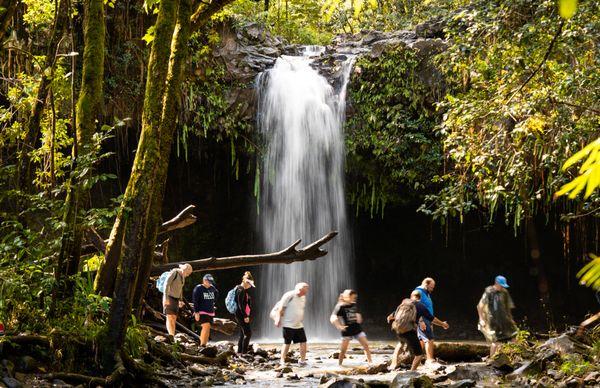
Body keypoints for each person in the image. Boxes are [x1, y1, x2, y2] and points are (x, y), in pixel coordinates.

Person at [387, 291, 433, 371]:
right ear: (420, 298)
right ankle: (412, 372)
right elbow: (431, 318)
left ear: (411, 296)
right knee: (419, 354)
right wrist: (442, 324)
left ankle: (393, 365)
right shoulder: (420, 305)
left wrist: (390, 317)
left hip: (398, 330)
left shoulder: (404, 304)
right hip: (409, 331)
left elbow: (392, 316)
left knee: (400, 344)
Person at [477, 275, 518, 356]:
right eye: (501, 285)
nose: (502, 287)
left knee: (514, 337)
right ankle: (492, 360)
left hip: (505, 320)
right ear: (496, 283)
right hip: (493, 321)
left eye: (503, 286)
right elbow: (480, 306)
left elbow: (508, 307)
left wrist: (511, 319)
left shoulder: (504, 292)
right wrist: (481, 319)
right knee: (496, 342)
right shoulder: (489, 292)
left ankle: (513, 357)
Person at [330, 289, 373, 366]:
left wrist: (359, 316)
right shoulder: (340, 306)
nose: (354, 300)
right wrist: (338, 325)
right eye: (352, 298)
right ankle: (340, 365)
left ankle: (370, 363)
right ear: (347, 297)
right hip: (346, 330)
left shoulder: (354, 305)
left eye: (355, 298)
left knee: (366, 345)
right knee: (343, 350)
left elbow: (357, 313)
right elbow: (332, 317)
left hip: (357, 329)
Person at [414, 277, 449, 363]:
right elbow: (414, 306)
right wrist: (421, 321)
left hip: (428, 319)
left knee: (422, 340)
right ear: (426, 284)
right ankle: (430, 360)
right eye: (431, 287)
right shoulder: (418, 292)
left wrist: (438, 324)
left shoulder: (426, 293)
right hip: (423, 319)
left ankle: (416, 360)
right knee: (429, 339)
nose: (432, 289)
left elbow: (429, 312)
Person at [274, 282, 309, 366]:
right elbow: (281, 307)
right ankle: (282, 360)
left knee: (303, 341)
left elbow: (301, 308)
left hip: (298, 324)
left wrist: (300, 316)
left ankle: (302, 360)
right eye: (305, 290)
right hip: (288, 324)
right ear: (299, 289)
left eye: (306, 290)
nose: (306, 292)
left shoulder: (303, 297)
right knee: (287, 343)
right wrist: (278, 319)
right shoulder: (289, 295)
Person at [162, 263, 193, 337]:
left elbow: (180, 289)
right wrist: (165, 298)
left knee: (174, 318)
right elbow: (166, 285)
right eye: (188, 273)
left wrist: (181, 300)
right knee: (170, 317)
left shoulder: (182, 277)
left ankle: (172, 335)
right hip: (169, 297)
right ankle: (171, 335)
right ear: (184, 270)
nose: (188, 275)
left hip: (176, 299)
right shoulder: (174, 273)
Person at [193, 274, 219, 346]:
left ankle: (204, 344)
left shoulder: (212, 288)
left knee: (208, 328)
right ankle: (202, 345)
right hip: (201, 311)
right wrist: (196, 312)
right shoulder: (198, 288)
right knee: (206, 326)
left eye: (211, 282)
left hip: (210, 312)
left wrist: (213, 303)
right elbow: (195, 301)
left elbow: (216, 295)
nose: (210, 283)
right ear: (204, 280)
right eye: (208, 282)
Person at [234, 271, 255, 354]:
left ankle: (240, 352)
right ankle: (244, 352)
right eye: (250, 285)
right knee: (248, 333)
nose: (250, 287)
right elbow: (240, 305)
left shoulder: (240, 288)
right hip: (240, 314)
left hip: (239, 314)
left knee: (243, 333)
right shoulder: (241, 290)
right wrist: (245, 316)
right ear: (246, 282)